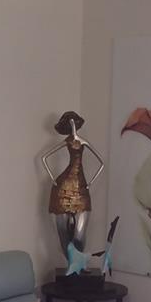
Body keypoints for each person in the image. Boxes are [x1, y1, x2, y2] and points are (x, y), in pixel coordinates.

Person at [41, 111, 105, 259]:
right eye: (70, 123)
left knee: (80, 235)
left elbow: (102, 163)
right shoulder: (68, 141)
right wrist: (53, 180)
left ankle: (79, 262)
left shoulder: (83, 142)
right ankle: (71, 264)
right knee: (63, 233)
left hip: (82, 188)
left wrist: (90, 183)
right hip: (64, 186)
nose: (72, 125)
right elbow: (44, 158)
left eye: (73, 122)